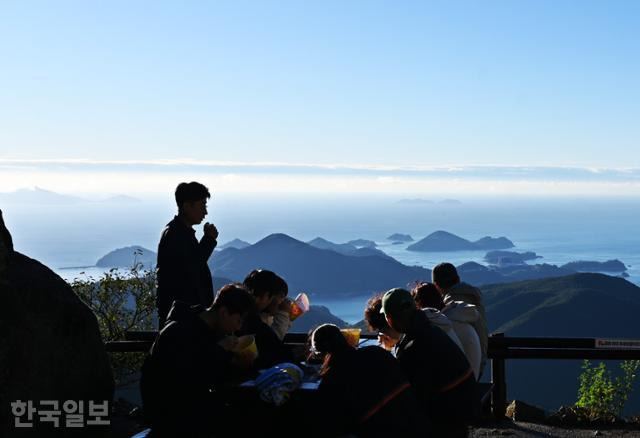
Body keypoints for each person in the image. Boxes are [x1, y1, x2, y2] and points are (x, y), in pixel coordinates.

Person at [140, 283, 255, 437]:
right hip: (171, 415)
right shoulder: (179, 332)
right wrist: (220, 351)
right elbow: (185, 379)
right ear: (224, 312)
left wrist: (237, 363)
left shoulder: (210, 333)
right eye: (239, 320)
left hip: (189, 409)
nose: (238, 327)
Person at [381, 288, 478, 437]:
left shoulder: (413, 346)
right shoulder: (431, 328)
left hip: (447, 415)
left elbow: (409, 391)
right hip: (465, 402)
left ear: (390, 319)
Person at [310, 324, 422, 437]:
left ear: (323, 354)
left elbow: (332, 423)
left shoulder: (331, 380)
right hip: (417, 423)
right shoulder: (377, 352)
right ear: (345, 340)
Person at [156, 182, 219, 328]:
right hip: (182, 318)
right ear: (186, 206)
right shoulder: (175, 235)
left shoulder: (180, 232)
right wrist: (208, 240)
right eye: (202, 205)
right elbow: (192, 268)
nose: (205, 212)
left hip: (183, 315)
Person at [413, 282, 482, 380]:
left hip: (458, 387)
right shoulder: (460, 318)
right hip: (471, 381)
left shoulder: (440, 326)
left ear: (419, 305)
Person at [432, 262, 488, 377]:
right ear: (458, 279)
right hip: (480, 362)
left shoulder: (451, 306)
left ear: (436, 285)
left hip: (463, 371)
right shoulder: (475, 297)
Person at [240, 269, 293, 370]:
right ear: (266, 296)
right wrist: (283, 314)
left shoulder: (261, 318)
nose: (283, 302)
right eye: (281, 297)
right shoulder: (251, 321)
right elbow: (271, 344)